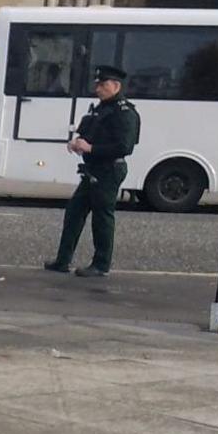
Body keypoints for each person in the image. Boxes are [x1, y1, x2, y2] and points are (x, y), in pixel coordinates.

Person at [44, 64, 141, 278]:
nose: (98, 89)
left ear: (116, 86)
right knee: (74, 213)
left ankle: (101, 264)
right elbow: (88, 131)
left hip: (108, 170)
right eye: (97, 84)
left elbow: (124, 147)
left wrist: (92, 148)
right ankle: (62, 260)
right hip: (92, 170)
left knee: (102, 217)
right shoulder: (100, 108)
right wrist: (77, 142)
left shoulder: (125, 112)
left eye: (103, 84)